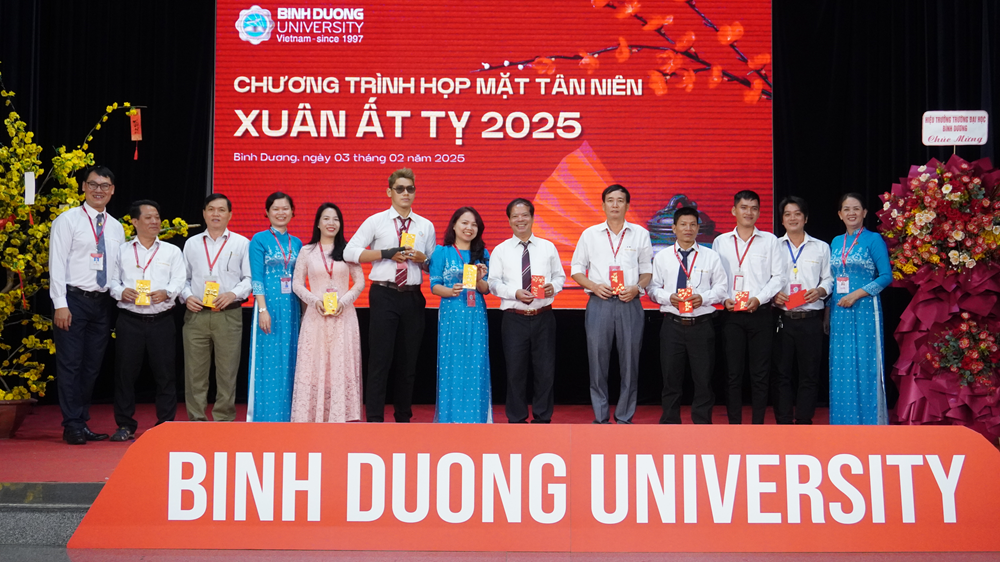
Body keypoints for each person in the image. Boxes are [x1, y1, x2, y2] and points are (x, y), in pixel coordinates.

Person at [344, 168, 435, 423]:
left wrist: (424, 259)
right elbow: (349, 252)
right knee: (380, 360)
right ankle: (374, 418)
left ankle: (403, 417)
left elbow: (432, 267)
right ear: (389, 192)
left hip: (413, 296)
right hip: (384, 294)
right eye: (400, 189)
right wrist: (385, 253)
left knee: (409, 362)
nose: (406, 193)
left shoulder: (425, 225)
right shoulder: (376, 221)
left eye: (410, 189)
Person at [49, 165, 127, 444]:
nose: (98, 190)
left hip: (102, 303)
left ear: (112, 190)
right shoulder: (67, 220)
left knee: (92, 366)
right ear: (83, 187)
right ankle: (71, 424)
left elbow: (117, 269)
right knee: (71, 364)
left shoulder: (116, 227)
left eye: (104, 186)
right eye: (93, 184)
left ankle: (81, 421)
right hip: (73, 300)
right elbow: (56, 263)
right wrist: (60, 303)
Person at [570, 184, 653, 424]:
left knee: (630, 363)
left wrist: (637, 288)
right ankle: (601, 417)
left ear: (627, 205)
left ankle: (624, 417)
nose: (615, 205)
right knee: (597, 362)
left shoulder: (640, 233)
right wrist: (594, 286)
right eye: (610, 200)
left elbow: (647, 271)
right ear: (603, 205)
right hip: (600, 303)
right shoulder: (590, 234)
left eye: (620, 200)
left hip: (630, 303)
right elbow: (576, 269)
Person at [107, 200, 185, 441]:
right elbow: (111, 281)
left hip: (162, 320)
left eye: (157, 217)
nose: (155, 222)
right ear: (134, 222)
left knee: (166, 374)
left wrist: (167, 292)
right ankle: (125, 425)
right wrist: (121, 292)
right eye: (148, 217)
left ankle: (165, 424)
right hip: (130, 320)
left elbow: (179, 279)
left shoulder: (172, 251)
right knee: (124, 374)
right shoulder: (121, 251)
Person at [647, 206, 728, 424]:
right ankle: (670, 423)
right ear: (674, 228)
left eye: (693, 224)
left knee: (703, 380)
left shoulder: (711, 256)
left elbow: (722, 288)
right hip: (672, 325)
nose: (688, 229)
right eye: (683, 224)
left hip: (702, 325)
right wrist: (668, 297)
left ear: (698, 228)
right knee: (670, 379)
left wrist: (704, 298)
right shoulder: (662, 257)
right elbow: (652, 289)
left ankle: (702, 424)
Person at [488, 198, 565, 424]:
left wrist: (553, 287)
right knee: (515, 371)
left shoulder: (548, 247)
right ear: (509, 220)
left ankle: (543, 418)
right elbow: (493, 283)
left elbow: (560, 276)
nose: (520, 220)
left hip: (543, 316)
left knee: (545, 371)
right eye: (515, 216)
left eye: (524, 215)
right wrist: (515, 293)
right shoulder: (500, 250)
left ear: (532, 218)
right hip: (514, 318)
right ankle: (516, 418)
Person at [712, 190, 783, 424]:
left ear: (759, 213)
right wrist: (724, 299)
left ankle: (758, 424)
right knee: (733, 374)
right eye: (744, 207)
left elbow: (779, 277)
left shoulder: (770, 241)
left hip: (760, 314)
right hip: (731, 314)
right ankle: (734, 425)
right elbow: (715, 278)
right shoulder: (720, 242)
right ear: (734, 210)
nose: (748, 212)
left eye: (753, 208)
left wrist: (759, 299)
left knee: (760, 374)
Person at [291, 204, 365, 423]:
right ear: (318, 223)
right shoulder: (307, 251)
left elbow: (359, 282)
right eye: (326, 218)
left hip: (344, 316)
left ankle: (341, 414)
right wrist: (314, 301)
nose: (331, 223)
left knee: (341, 364)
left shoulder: (348, 251)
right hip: (316, 316)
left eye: (336, 219)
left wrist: (344, 301)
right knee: (314, 364)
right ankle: (312, 414)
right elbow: (297, 284)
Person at [181, 194, 252, 422]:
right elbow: (182, 278)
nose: (216, 214)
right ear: (204, 213)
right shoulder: (192, 243)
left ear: (230, 215)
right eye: (211, 209)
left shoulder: (241, 243)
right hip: (196, 314)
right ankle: (196, 420)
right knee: (195, 372)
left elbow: (249, 278)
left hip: (228, 314)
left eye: (221, 210)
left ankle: (224, 420)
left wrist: (233, 294)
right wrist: (187, 296)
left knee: (227, 371)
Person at [829, 193, 892, 425]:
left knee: (865, 365)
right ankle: (843, 423)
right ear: (840, 214)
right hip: (839, 312)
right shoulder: (836, 242)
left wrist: (857, 294)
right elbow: (833, 279)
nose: (851, 213)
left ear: (864, 212)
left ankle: (870, 422)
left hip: (865, 309)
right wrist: (827, 312)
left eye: (856, 208)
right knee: (842, 366)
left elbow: (886, 276)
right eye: (846, 209)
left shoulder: (874, 239)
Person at [771, 196, 833, 425]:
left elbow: (829, 279)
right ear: (782, 220)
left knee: (809, 373)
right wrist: (772, 295)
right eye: (787, 214)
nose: (793, 218)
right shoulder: (774, 247)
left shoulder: (821, 247)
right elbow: (765, 279)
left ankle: (804, 420)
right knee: (781, 373)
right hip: (782, 318)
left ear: (805, 218)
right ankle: (784, 420)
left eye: (797, 213)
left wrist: (820, 291)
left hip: (810, 318)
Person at [429, 207, 491, 423]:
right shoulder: (442, 252)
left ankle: (476, 418)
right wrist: (450, 291)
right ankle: (450, 418)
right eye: (464, 223)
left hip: (476, 314)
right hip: (452, 312)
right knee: (452, 363)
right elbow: (435, 286)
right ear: (454, 225)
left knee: (476, 363)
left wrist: (480, 279)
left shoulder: (483, 254)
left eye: (474, 224)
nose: (469, 228)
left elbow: (485, 289)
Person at [247, 192, 303, 422]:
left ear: (292, 212)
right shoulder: (259, 239)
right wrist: (262, 309)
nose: (281, 213)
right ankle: (264, 417)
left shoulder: (297, 243)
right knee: (268, 361)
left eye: (285, 208)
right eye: (276, 209)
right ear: (267, 213)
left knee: (290, 359)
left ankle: (289, 416)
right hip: (268, 306)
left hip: (291, 308)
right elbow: (256, 278)